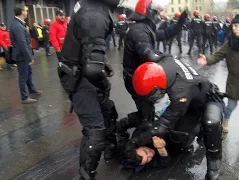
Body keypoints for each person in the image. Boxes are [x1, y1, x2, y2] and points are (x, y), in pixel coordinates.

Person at [120, 56, 225, 180]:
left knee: (210, 123)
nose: (150, 155)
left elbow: (163, 124)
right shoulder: (163, 62)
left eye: (146, 153)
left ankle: (214, 168)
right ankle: (199, 128)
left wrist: (134, 142)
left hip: (210, 98)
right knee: (181, 136)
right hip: (194, 99)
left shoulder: (179, 92)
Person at [57, 0, 123, 179]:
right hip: (78, 77)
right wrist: (105, 85)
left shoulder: (95, 8)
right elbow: (93, 69)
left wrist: (102, 62)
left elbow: (86, 44)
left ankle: (111, 150)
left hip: (82, 70)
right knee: (95, 130)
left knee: (108, 111)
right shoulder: (95, 13)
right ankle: (86, 176)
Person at [120, 0, 188, 139]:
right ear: (148, 12)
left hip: (141, 77)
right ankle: (124, 129)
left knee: (148, 112)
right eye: (156, 12)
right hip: (135, 79)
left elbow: (165, 34)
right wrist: (168, 58)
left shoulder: (145, 28)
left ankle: (125, 126)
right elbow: (148, 53)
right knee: (146, 117)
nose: (157, 15)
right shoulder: (139, 31)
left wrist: (179, 23)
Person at [197, 14, 239, 148]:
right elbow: (218, 55)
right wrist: (208, 60)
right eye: (233, 26)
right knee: (230, 106)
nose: (233, 28)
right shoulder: (230, 43)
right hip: (233, 83)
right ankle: (225, 121)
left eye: (236, 26)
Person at [10, 5, 42, 104]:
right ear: (21, 12)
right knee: (23, 76)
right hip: (22, 55)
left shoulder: (19, 24)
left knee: (28, 73)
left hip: (23, 54)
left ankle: (32, 89)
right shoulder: (17, 25)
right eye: (26, 11)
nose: (27, 12)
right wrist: (29, 57)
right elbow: (22, 43)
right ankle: (24, 97)